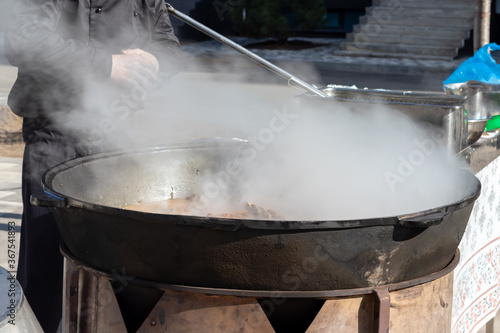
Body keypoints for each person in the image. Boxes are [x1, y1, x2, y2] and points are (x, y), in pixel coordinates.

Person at [4, 1, 182, 331]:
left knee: (117, 263)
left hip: (119, 138)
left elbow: (168, 45)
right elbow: (21, 37)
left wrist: (155, 63)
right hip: (55, 133)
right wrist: (105, 65)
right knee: (46, 261)